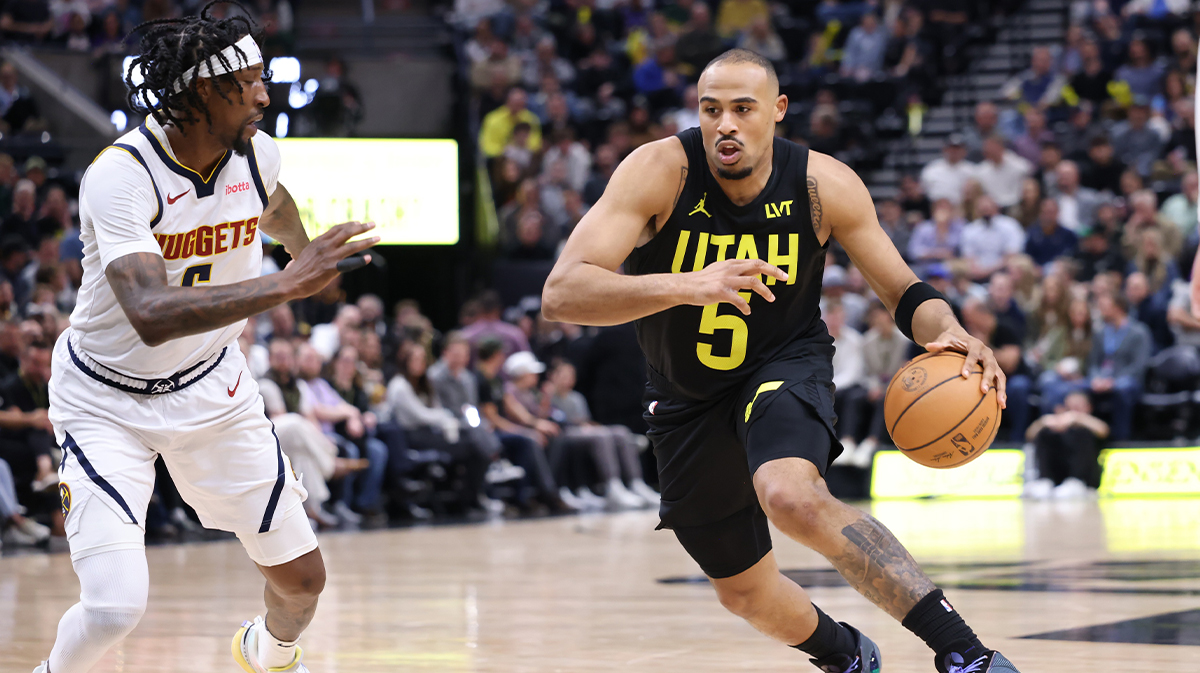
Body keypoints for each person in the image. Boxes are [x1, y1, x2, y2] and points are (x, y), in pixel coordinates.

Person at [542, 48, 1019, 673]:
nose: (726, 125)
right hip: (685, 398)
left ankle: (966, 654)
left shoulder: (823, 184)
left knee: (789, 494)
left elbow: (903, 292)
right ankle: (846, 654)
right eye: (712, 110)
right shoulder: (659, 171)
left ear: (778, 111)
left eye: (743, 109)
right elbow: (562, 294)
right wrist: (688, 284)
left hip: (782, 361)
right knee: (744, 593)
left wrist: (953, 331)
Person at [34, 9, 379, 673]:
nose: (264, 95)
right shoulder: (122, 174)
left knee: (304, 582)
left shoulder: (256, 153)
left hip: (212, 388)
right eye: (249, 83)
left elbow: (273, 207)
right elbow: (150, 310)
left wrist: (310, 259)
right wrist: (288, 284)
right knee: (113, 608)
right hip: (107, 399)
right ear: (202, 93)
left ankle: (266, 653)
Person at [1023, 390, 1107, 499]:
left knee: (1081, 432)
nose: (1073, 411)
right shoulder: (1057, 425)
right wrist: (1043, 422)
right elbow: (1029, 436)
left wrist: (1078, 418)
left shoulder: (1091, 426)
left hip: (1086, 480)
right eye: (1070, 407)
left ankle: (1076, 482)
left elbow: (1104, 431)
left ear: (1089, 407)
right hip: (1059, 477)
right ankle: (1045, 481)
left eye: (1078, 406)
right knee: (1045, 433)